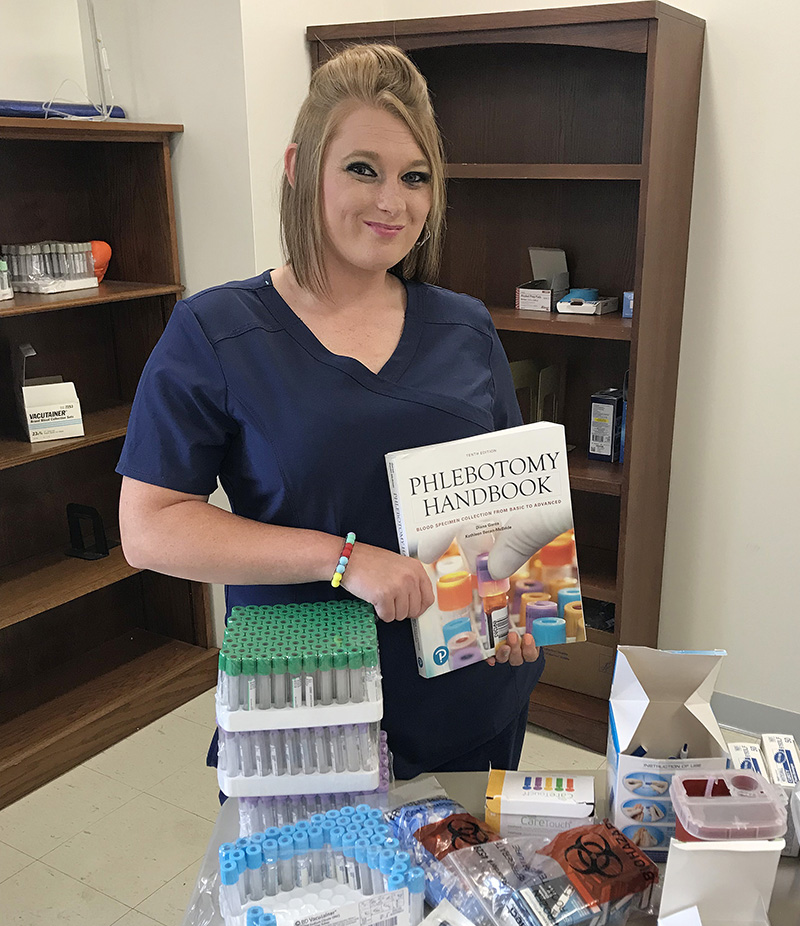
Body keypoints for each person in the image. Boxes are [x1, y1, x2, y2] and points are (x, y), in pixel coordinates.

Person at [117, 43, 544, 780]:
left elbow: (508, 505)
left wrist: (520, 608)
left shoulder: (465, 327)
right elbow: (148, 528)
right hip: (309, 718)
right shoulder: (217, 333)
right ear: (298, 168)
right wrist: (342, 559)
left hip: (471, 708)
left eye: (415, 177)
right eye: (362, 169)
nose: (393, 202)